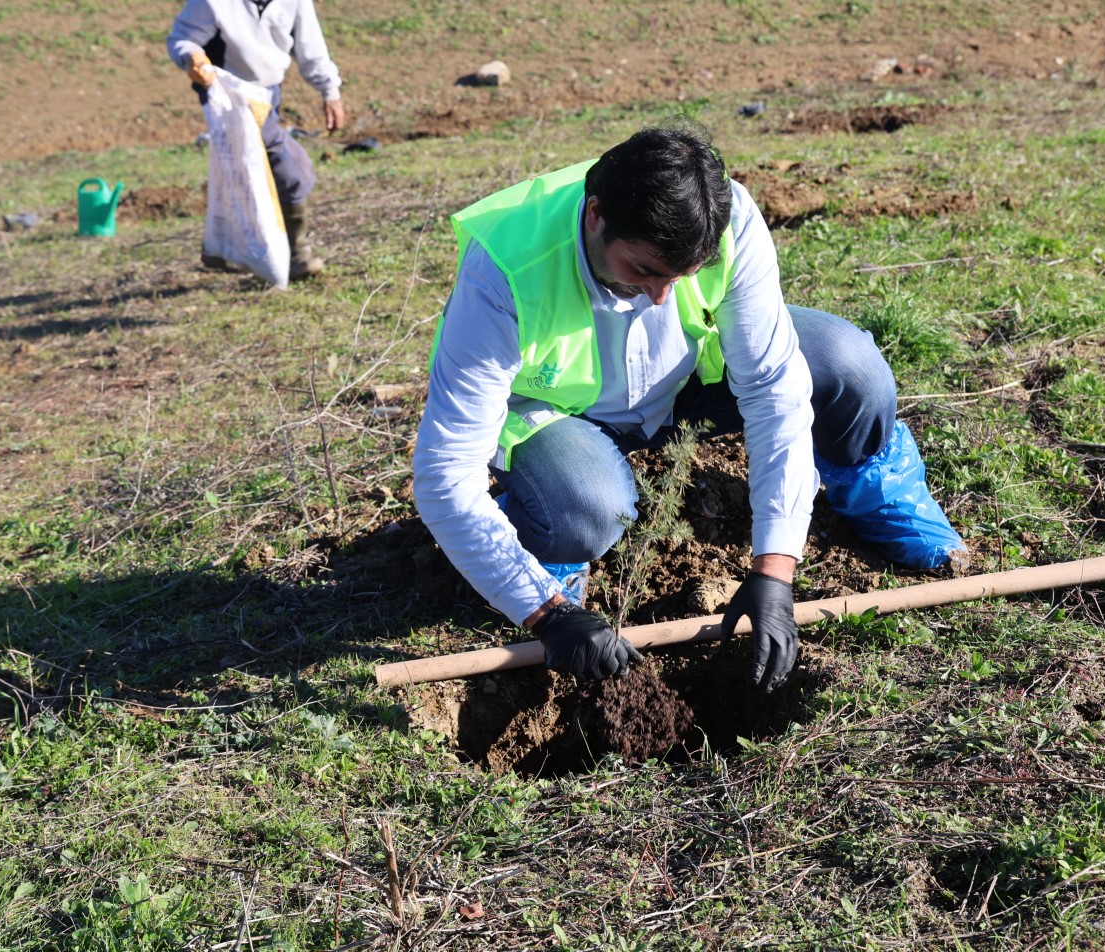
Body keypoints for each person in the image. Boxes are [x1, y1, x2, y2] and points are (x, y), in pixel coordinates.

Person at [412, 123, 966, 692]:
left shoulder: (724, 220)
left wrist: (775, 569)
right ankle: (545, 551)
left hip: (684, 381)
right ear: (596, 215)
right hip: (558, 412)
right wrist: (545, 613)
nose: (661, 298)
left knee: (845, 363)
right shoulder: (504, 268)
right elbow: (444, 476)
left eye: (684, 277)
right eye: (646, 271)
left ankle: (883, 500)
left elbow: (775, 390)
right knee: (583, 506)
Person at [167, 0, 344, 281]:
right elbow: (182, 38)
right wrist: (192, 59)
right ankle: (293, 255)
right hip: (232, 100)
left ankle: (228, 251)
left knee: (251, 179)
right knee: (291, 173)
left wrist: (329, 90)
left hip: (270, 96)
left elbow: (310, 45)